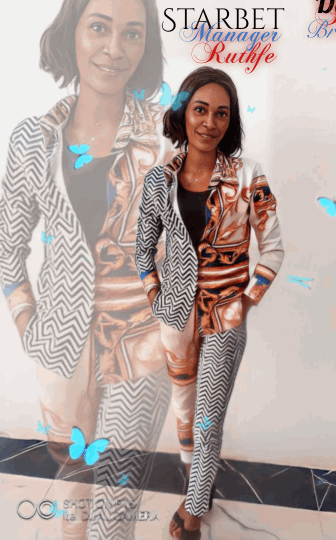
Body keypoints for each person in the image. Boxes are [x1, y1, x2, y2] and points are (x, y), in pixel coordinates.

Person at [0, 0, 174, 538]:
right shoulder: (32, 140)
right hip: (58, 346)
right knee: (73, 497)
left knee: (112, 518)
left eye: (132, 34)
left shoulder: (167, 136)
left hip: (138, 344)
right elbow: (8, 246)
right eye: (99, 27)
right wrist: (27, 323)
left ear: (145, 46)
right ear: (71, 32)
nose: (114, 48)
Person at [136, 66, 285, 539]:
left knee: (207, 418)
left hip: (225, 317)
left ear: (231, 120)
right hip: (175, 319)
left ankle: (194, 512)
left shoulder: (248, 176)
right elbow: (142, 251)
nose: (210, 122)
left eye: (222, 113)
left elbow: (273, 249)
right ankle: (196, 481)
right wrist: (157, 298)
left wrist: (245, 303)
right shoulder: (159, 179)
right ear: (183, 113)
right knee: (184, 412)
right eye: (200, 109)